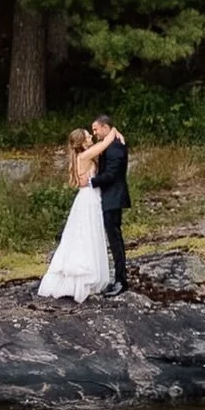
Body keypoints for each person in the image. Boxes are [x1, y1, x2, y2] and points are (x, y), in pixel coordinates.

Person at [37, 127, 114, 302]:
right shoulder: (84, 156)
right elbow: (105, 143)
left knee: (82, 235)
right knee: (87, 235)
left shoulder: (82, 157)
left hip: (87, 197)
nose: (91, 136)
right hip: (88, 199)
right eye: (88, 135)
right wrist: (114, 131)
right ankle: (83, 276)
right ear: (82, 142)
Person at [89, 113, 130, 297]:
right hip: (108, 197)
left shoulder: (115, 148)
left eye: (96, 129)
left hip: (114, 198)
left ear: (106, 127)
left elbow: (112, 174)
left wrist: (91, 182)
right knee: (112, 239)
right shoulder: (110, 144)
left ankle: (121, 280)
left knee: (115, 239)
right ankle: (117, 278)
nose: (95, 133)